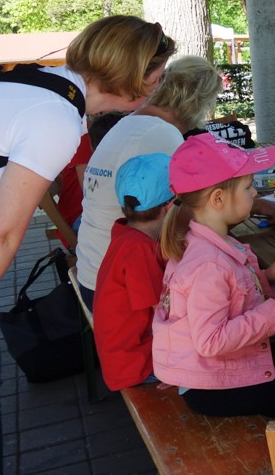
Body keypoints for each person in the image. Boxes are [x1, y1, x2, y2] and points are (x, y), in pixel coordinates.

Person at [0, 15, 173, 470]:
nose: (159, 88)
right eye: (158, 76)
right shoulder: (57, 118)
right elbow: (1, 235)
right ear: (137, 76)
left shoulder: (48, 87)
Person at [153, 133, 275, 418]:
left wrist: (266, 277)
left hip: (205, 366)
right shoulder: (208, 264)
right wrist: (274, 314)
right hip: (207, 384)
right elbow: (211, 341)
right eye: (248, 187)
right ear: (218, 198)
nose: (254, 194)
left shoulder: (209, 242)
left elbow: (231, 293)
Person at [77, 56, 227, 309]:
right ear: (197, 101)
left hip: (96, 269)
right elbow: (185, 211)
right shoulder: (161, 133)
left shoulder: (131, 123)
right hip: (123, 283)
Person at [94, 152, 175, 391]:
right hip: (136, 365)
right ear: (169, 207)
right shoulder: (138, 249)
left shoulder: (127, 234)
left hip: (126, 357)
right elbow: (164, 313)